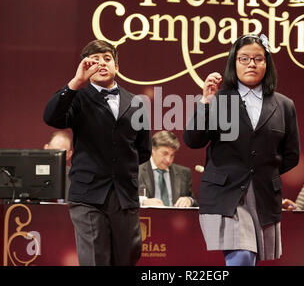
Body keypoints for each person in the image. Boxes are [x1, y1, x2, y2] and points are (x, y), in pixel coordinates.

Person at [184, 34, 300, 266]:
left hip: (263, 194)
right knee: (243, 256)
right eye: (244, 58)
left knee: (250, 259)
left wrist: (263, 170)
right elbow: (193, 140)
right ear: (233, 63)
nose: (251, 64)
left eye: (258, 59)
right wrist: (205, 102)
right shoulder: (219, 99)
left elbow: (291, 155)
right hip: (225, 194)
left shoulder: (284, 105)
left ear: (267, 64)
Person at [43, 39, 151, 266]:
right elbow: (51, 117)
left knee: (128, 256)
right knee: (95, 259)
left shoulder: (137, 102)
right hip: (88, 195)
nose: (101, 64)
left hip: (124, 195)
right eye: (94, 60)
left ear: (117, 67)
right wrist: (75, 82)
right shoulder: (78, 98)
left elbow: (143, 150)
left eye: (107, 59)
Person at [138, 130, 197, 207]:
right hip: (147, 217)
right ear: (152, 150)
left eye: (172, 155)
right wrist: (142, 201)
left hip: (175, 218)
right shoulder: (137, 171)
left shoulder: (184, 173)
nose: (168, 160)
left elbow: (194, 201)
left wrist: (189, 200)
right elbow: (124, 197)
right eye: (165, 154)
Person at [43, 130, 73, 202]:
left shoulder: (74, 178)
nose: (57, 156)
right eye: (54, 150)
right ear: (46, 148)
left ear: (69, 154)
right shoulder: (32, 173)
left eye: (62, 152)